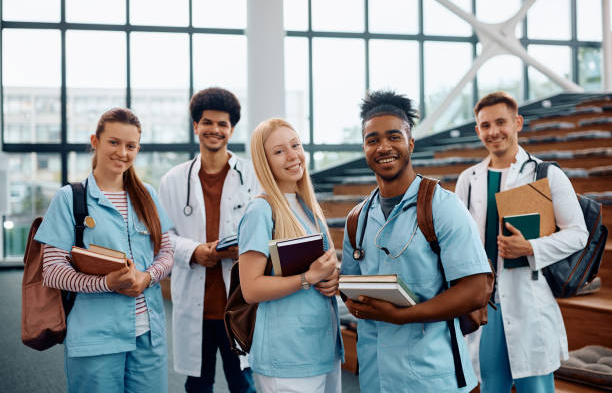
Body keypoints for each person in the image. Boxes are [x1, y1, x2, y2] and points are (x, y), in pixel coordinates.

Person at [341, 90, 491, 392]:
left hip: (432, 376)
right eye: (373, 140)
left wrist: (402, 316)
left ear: (410, 142)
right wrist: (353, 302)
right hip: (376, 376)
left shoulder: (442, 206)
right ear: (364, 147)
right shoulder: (357, 218)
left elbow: (476, 291)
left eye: (394, 137)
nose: (384, 147)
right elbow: (349, 285)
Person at [455, 91, 589, 393]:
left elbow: (578, 233)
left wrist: (531, 248)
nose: (493, 132)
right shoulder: (468, 179)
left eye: (500, 122)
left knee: (536, 387)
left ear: (517, 122)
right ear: (477, 130)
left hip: (527, 296)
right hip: (486, 304)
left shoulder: (545, 174)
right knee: (491, 385)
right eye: (485, 125)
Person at [34, 108, 174, 393]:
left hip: (147, 335)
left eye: (131, 145)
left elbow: (167, 252)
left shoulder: (147, 195)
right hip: (95, 338)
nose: (122, 152)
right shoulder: (69, 198)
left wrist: (146, 278)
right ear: (95, 141)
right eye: (114, 142)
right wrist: (106, 283)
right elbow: (52, 271)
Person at [158, 87, 258, 393]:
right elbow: (162, 237)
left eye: (222, 124)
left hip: (237, 304)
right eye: (208, 122)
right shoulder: (173, 180)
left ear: (231, 129)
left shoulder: (252, 175)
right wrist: (194, 251)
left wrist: (246, 247)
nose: (215, 129)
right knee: (198, 385)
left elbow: (268, 227)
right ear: (195, 126)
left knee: (243, 383)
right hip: (195, 306)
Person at [237, 118, 343, 393]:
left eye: (295, 145)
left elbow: (323, 270)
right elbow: (251, 288)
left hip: (322, 348)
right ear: (264, 161)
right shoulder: (260, 211)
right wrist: (308, 278)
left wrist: (332, 279)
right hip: (287, 356)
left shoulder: (308, 209)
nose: (293, 155)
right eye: (279, 151)